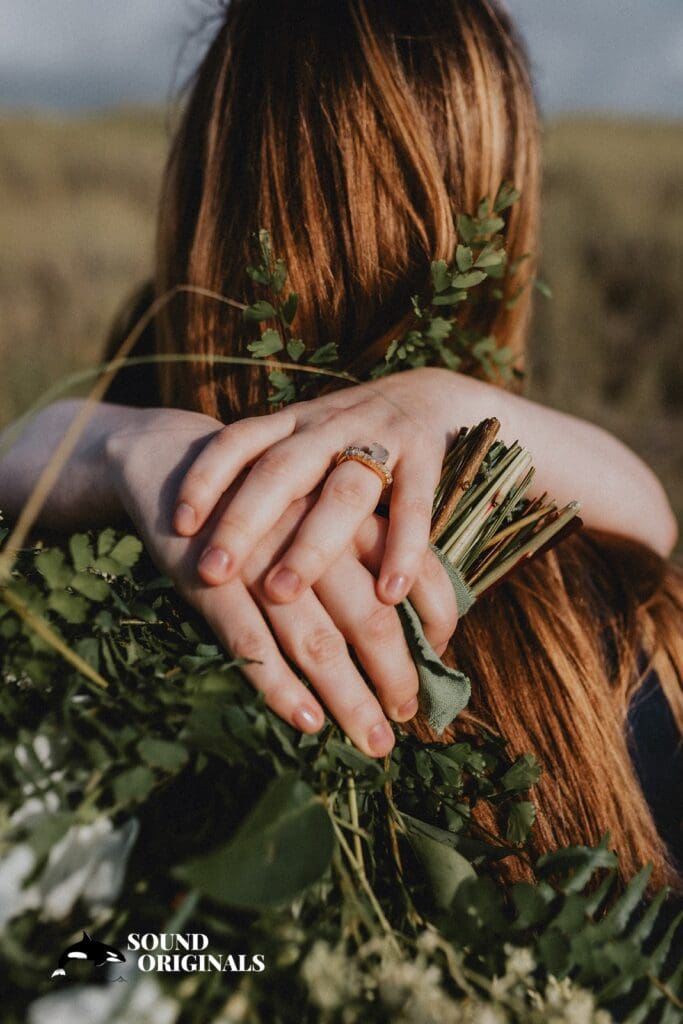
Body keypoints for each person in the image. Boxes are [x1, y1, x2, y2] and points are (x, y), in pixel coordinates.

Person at [0, 0, 681, 887]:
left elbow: (70, 964)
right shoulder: (633, 626)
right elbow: (653, 527)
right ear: (505, 215)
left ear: (203, 189)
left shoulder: (59, 619)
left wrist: (96, 446)